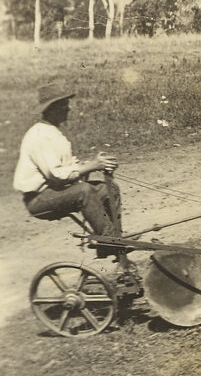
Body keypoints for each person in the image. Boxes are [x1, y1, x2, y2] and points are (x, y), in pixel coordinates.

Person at [13, 82, 131, 271]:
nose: (68, 108)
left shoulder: (53, 132)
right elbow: (58, 174)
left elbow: (69, 168)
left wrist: (97, 163)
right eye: (63, 105)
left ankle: (112, 239)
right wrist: (93, 165)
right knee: (84, 191)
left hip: (55, 191)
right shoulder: (40, 136)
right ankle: (110, 240)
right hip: (39, 199)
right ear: (51, 109)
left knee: (106, 189)